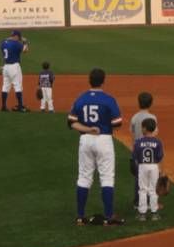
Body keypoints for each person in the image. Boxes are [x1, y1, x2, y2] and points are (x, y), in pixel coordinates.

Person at [68, 68, 124, 226]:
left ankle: (80, 217)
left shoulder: (81, 98)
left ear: (89, 81)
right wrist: (102, 127)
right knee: (106, 177)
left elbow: (71, 122)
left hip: (85, 139)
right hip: (104, 139)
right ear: (103, 81)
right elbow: (117, 123)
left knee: (84, 177)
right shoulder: (108, 99)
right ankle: (108, 216)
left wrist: (88, 129)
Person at [132, 118, 164, 222]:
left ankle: (142, 214)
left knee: (142, 189)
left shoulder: (138, 142)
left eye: (142, 127)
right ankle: (154, 213)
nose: (141, 128)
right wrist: (160, 170)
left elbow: (135, 157)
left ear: (145, 129)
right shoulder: (158, 142)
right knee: (153, 190)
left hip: (142, 166)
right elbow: (160, 157)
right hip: (154, 166)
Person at [130, 92, 158, 209]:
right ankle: (150, 203)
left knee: (139, 177)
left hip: (137, 150)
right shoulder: (152, 118)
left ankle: (137, 202)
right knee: (150, 177)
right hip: (149, 150)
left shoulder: (134, 117)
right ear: (151, 104)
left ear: (138, 103)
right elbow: (154, 134)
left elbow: (132, 134)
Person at [0, 30, 29, 112]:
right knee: (17, 86)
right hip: (14, 67)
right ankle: (20, 106)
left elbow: (4, 53)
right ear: (16, 36)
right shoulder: (16, 44)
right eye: (19, 37)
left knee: (5, 87)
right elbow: (25, 50)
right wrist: (25, 42)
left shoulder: (3, 43)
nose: (19, 39)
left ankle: (3, 106)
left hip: (5, 67)